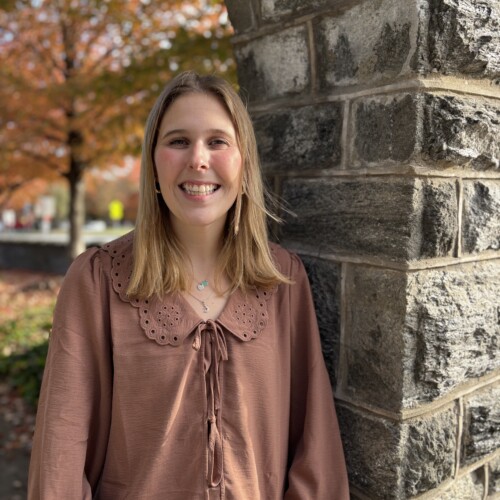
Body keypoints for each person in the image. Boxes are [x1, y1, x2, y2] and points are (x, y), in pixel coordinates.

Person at [28, 71, 349, 499]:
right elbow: (60, 463)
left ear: (243, 162)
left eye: (217, 141)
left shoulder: (282, 281)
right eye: (178, 141)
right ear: (154, 163)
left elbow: (317, 452)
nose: (198, 159)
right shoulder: (96, 282)